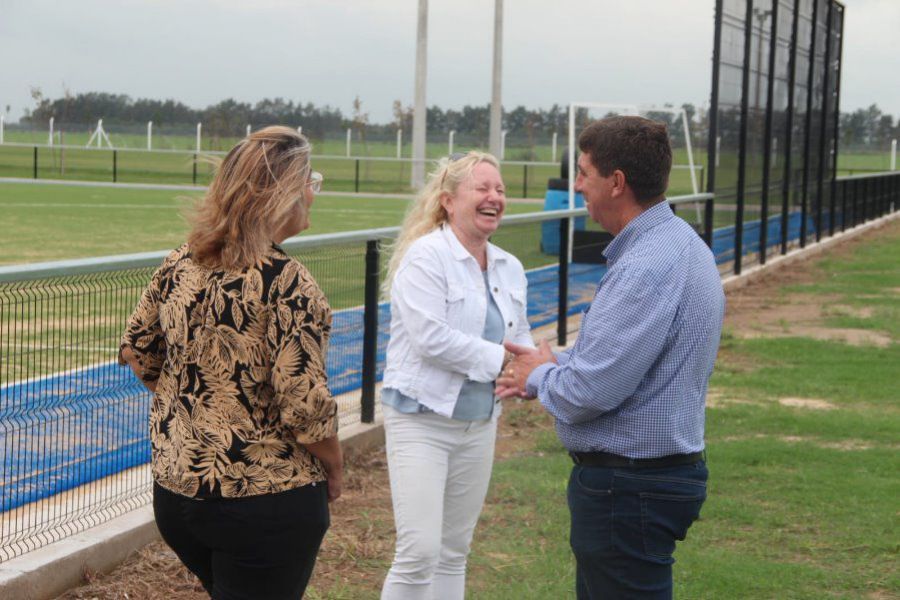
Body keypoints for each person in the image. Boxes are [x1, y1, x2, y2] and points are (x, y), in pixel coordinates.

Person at [497, 116, 725, 599]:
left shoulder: (645, 267)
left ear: (617, 183)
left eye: (584, 172)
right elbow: (629, 359)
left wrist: (539, 375)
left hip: (629, 487)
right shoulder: (680, 243)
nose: (576, 185)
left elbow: (590, 393)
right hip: (646, 480)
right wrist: (556, 362)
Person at [119, 126, 341, 600]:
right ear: (283, 194)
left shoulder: (181, 263)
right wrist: (337, 467)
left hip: (178, 492)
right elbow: (305, 407)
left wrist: (201, 412)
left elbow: (138, 352)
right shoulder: (289, 285)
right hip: (265, 501)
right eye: (310, 182)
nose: (312, 194)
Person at [379, 151, 534, 599]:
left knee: (453, 551)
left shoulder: (509, 267)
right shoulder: (424, 257)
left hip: (479, 424)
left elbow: (518, 334)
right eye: (482, 189)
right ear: (448, 201)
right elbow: (431, 339)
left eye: (500, 190)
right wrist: (503, 364)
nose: (495, 197)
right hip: (421, 421)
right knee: (419, 551)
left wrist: (528, 372)